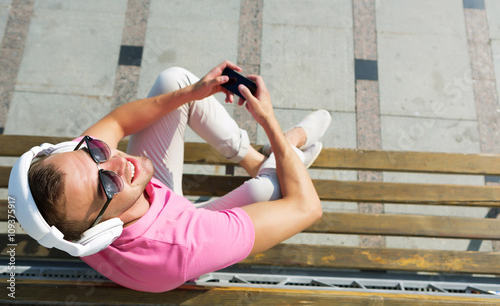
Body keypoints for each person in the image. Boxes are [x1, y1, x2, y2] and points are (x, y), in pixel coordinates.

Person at [11, 60, 332, 292]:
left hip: (151, 208)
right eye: (106, 184)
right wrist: (272, 125)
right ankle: (292, 144)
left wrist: (195, 92)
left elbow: (119, 122)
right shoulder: (184, 245)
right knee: (270, 190)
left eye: (94, 151)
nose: (118, 162)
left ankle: (256, 159)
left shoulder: (75, 183)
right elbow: (306, 208)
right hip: (182, 232)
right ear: (101, 229)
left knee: (175, 81)